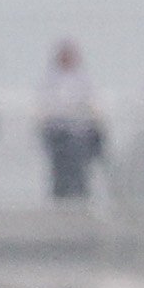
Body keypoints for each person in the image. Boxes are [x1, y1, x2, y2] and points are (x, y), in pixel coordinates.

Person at [37, 39, 106, 200]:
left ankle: (80, 195)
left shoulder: (84, 79)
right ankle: (59, 195)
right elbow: (44, 103)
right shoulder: (49, 79)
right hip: (56, 129)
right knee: (58, 166)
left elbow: (92, 102)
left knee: (79, 166)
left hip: (79, 131)